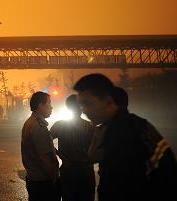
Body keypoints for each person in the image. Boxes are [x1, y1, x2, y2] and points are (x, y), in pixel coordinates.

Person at [74, 73, 177, 201]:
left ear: (108, 101)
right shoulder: (108, 129)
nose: (83, 110)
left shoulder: (134, 129)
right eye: (81, 105)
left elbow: (167, 170)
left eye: (87, 103)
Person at [50, 94, 95, 201]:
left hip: (67, 170)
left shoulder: (59, 125)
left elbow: (46, 141)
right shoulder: (90, 126)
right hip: (86, 171)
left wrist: (60, 155)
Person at [21, 91, 61, 201]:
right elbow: (43, 157)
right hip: (43, 182)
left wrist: (57, 152)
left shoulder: (30, 122)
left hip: (34, 179)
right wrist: (53, 178)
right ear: (40, 105)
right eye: (49, 103)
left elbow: (42, 147)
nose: (51, 107)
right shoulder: (38, 126)